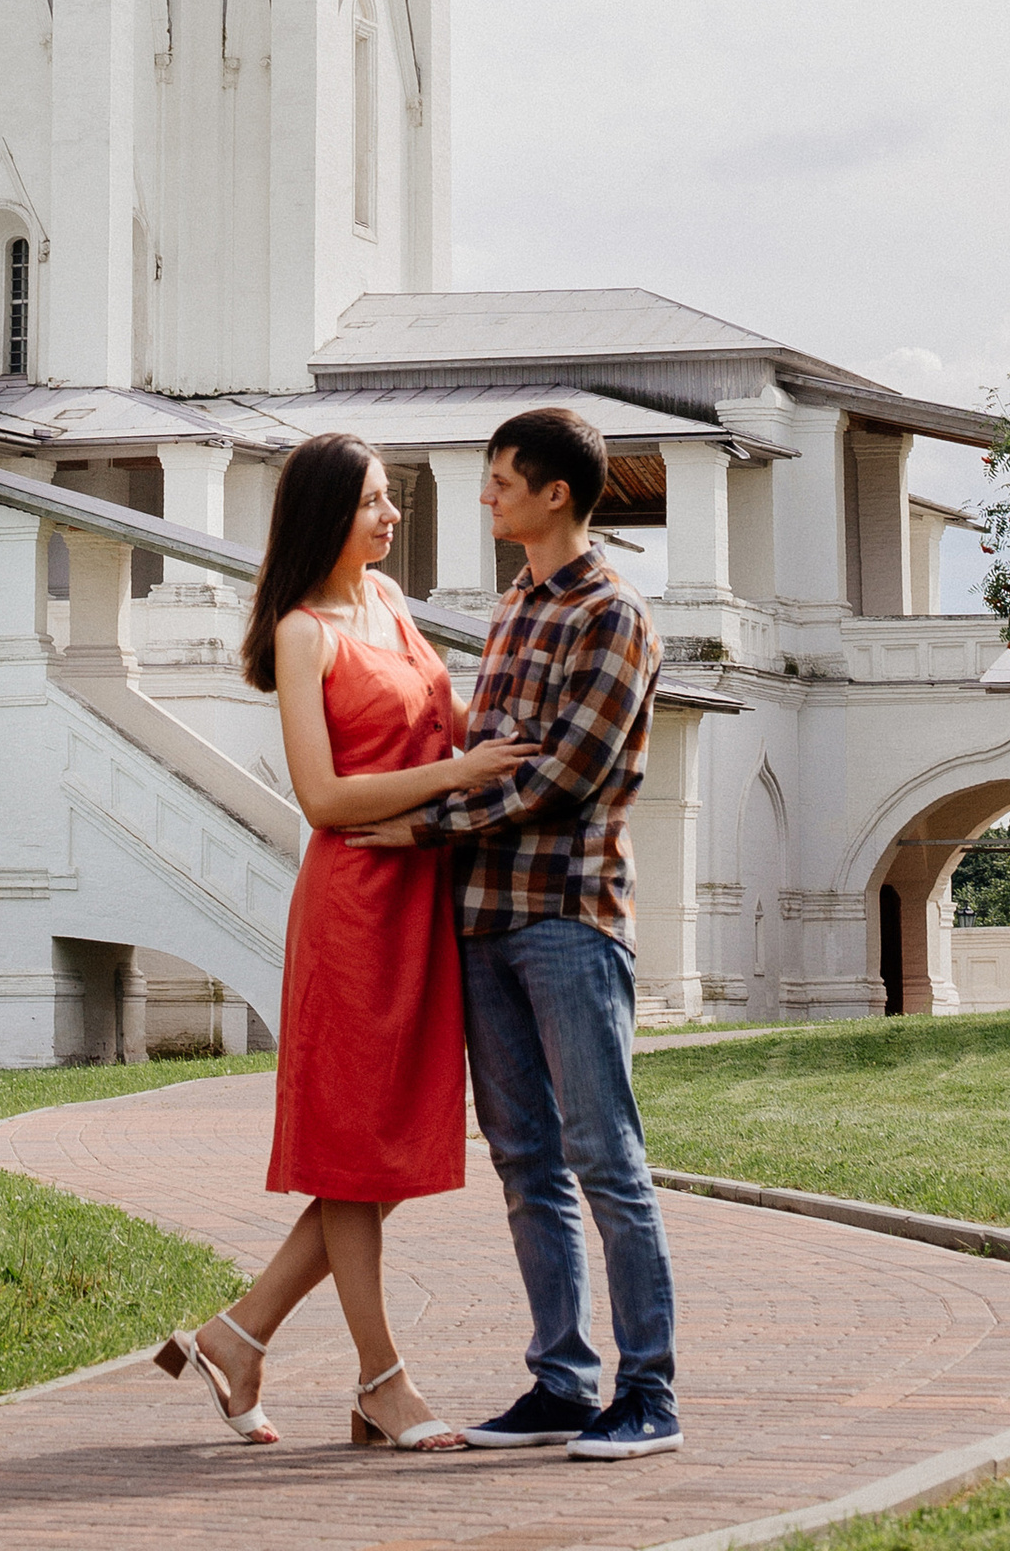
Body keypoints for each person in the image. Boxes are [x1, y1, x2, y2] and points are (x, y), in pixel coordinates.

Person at [155, 430, 517, 1453]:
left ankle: (238, 1335)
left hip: (419, 898)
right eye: (371, 502)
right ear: (324, 513)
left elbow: (448, 731)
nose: (390, 517)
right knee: (359, 1155)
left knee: (382, 1152)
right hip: (356, 905)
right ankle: (379, 1381)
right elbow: (320, 796)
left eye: (390, 498)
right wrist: (456, 778)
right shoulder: (302, 630)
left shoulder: (393, 605)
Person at [358, 402, 681, 1462]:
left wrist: (423, 824)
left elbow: (561, 775)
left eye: (501, 479)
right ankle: (559, 1383)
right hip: (483, 922)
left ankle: (648, 1396)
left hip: (568, 921)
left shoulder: (614, 616)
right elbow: (488, 746)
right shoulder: (508, 610)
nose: (485, 493)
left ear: (554, 493)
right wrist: (442, 802)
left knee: (605, 1158)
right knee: (524, 1161)